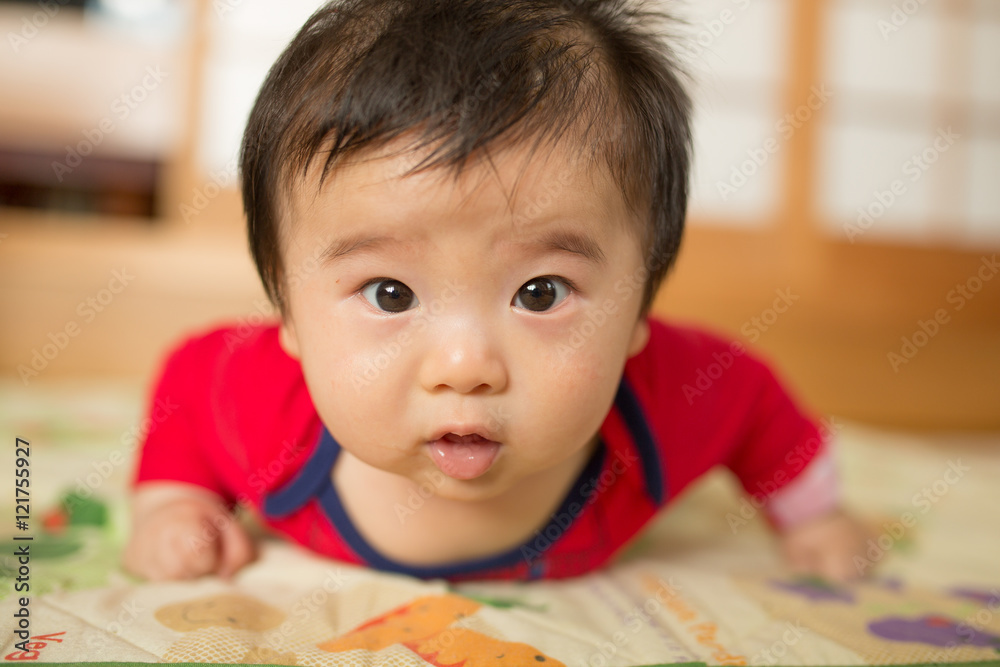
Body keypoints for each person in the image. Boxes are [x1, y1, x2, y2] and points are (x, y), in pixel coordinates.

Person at [123, 0, 867, 582]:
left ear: (639, 309)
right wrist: (174, 501)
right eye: (388, 293)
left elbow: (753, 403)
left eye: (542, 293)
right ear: (287, 312)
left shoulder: (663, 402)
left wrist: (811, 517)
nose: (465, 364)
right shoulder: (265, 409)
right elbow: (189, 381)